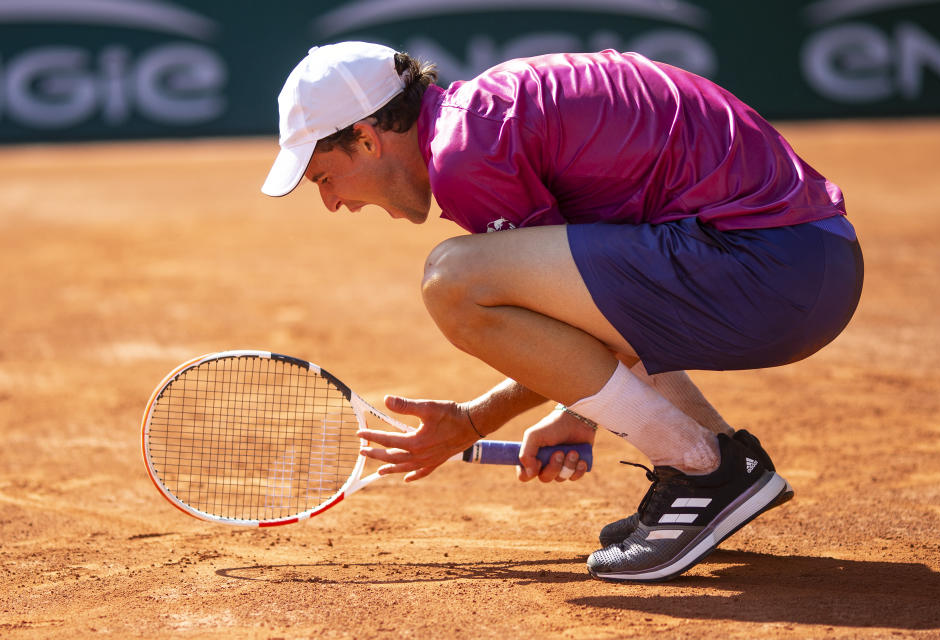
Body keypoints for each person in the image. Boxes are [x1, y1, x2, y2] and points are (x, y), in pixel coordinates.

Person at [261, 41, 863, 581]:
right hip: (807, 261)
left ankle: (705, 472)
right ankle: (728, 458)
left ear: (367, 138)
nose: (335, 203)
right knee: (490, 283)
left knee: (453, 279)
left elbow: (575, 328)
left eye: (324, 178)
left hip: (772, 272)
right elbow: (600, 315)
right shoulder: (486, 116)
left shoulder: (465, 156)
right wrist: (575, 408)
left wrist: (475, 421)